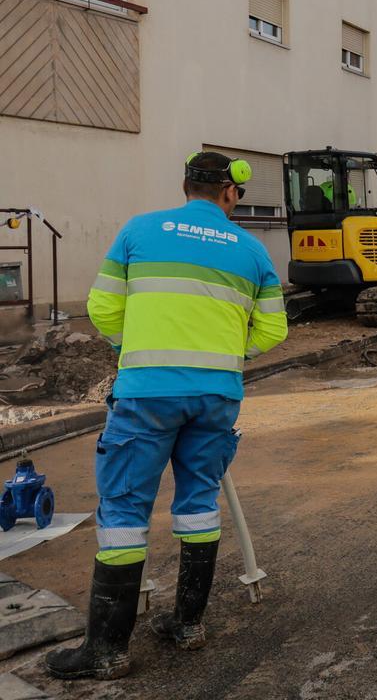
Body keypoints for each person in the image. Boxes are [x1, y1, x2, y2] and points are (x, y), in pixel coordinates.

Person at [46, 152, 288, 681]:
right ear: (231, 194)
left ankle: (106, 651)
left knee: (126, 510)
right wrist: (228, 353)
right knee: (199, 501)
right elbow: (274, 331)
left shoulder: (138, 231)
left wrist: (135, 347)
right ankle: (187, 624)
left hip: (147, 393)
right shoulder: (252, 250)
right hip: (217, 396)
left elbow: (103, 308)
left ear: (186, 186)